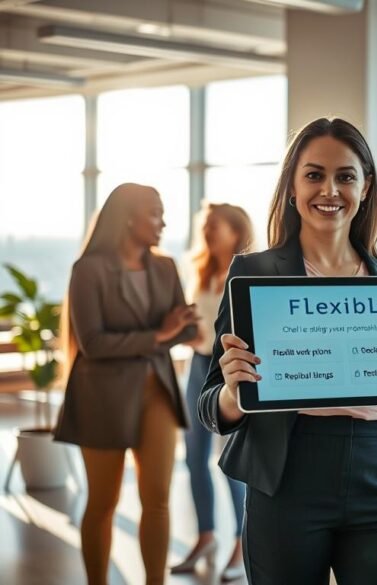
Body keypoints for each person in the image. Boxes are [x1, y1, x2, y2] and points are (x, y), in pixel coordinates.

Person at [195, 117, 377, 585]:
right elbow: (211, 406)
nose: (330, 190)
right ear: (293, 186)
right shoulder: (253, 275)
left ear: (365, 186)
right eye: (314, 174)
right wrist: (231, 390)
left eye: (345, 176)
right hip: (286, 476)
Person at [53, 183, 199, 585]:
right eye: (155, 212)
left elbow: (183, 332)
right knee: (102, 502)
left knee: (158, 500)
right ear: (128, 217)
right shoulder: (89, 270)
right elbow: (93, 344)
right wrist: (158, 334)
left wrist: (180, 329)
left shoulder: (166, 267)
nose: (163, 222)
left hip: (157, 393)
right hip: (102, 397)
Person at [171, 203, 254, 581]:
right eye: (204, 225)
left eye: (213, 226)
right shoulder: (201, 269)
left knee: (231, 463)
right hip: (198, 366)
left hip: (228, 373)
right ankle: (205, 535)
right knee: (193, 458)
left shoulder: (249, 272)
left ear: (235, 232)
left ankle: (241, 542)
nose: (206, 232)